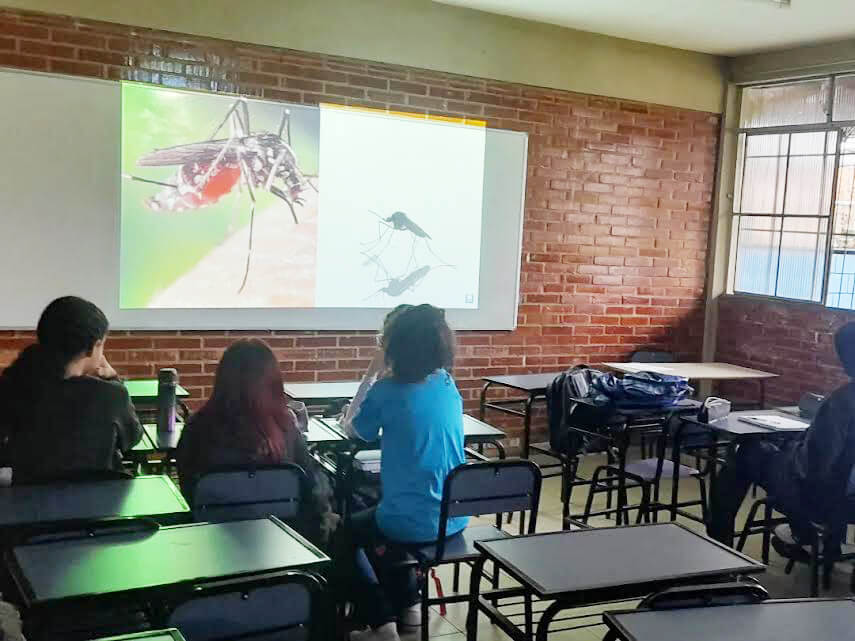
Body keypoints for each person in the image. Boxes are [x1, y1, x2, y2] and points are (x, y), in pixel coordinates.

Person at [340, 304, 466, 641]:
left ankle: (381, 622)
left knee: (344, 533)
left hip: (409, 522)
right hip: (453, 518)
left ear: (393, 346)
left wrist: (371, 372)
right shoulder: (446, 383)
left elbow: (354, 430)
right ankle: (410, 610)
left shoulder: (386, 390)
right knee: (389, 515)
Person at [708, 321, 855, 555]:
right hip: (847, 499)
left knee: (744, 451)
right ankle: (809, 537)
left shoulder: (843, 402)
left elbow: (813, 467)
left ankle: (719, 548)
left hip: (825, 499)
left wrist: (790, 449)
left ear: (846, 361)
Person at [176, 339, 337, 546]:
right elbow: (310, 487)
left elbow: (187, 491)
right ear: (273, 381)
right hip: (285, 551)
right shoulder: (286, 427)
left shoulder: (196, 429)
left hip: (213, 547)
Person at [0, 296, 142, 484]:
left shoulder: (11, 385)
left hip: (27, 503)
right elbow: (131, 439)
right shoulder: (112, 395)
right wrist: (114, 379)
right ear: (93, 348)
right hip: (100, 504)